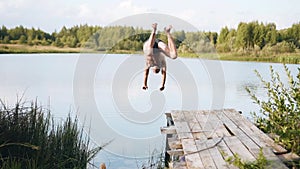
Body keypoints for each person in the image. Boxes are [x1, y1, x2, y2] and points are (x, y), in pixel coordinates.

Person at [142, 23, 178, 91]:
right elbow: (164, 74)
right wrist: (163, 85)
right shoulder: (162, 63)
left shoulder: (149, 64)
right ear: (160, 69)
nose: (156, 68)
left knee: (149, 51)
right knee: (173, 56)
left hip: (149, 45)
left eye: (155, 70)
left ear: (152, 69)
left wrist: (144, 84)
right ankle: (168, 33)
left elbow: (146, 74)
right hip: (159, 46)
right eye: (158, 70)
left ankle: (154, 30)